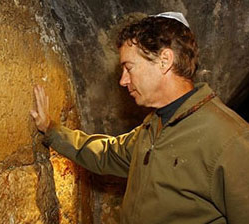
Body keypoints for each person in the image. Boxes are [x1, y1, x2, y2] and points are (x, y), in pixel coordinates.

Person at [30, 12, 249, 224]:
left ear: (165, 60)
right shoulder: (154, 126)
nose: (123, 81)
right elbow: (106, 154)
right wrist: (51, 129)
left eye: (128, 67)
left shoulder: (230, 139)